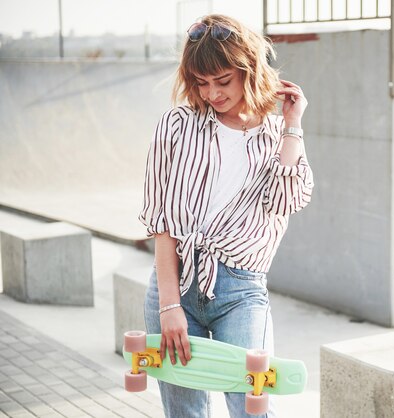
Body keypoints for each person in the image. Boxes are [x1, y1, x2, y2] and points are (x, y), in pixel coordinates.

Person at [137, 13, 314, 418]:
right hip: (175, 283)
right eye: (202, 82)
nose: (212, 93)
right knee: (185, 412)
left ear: (247, 71)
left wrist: (292, 125)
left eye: (223, 81)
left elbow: (287, 199)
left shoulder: (275, 136)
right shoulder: (177, 126)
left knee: (252, 409)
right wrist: (169, 306)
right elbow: (161, 222)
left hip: (242, 290)